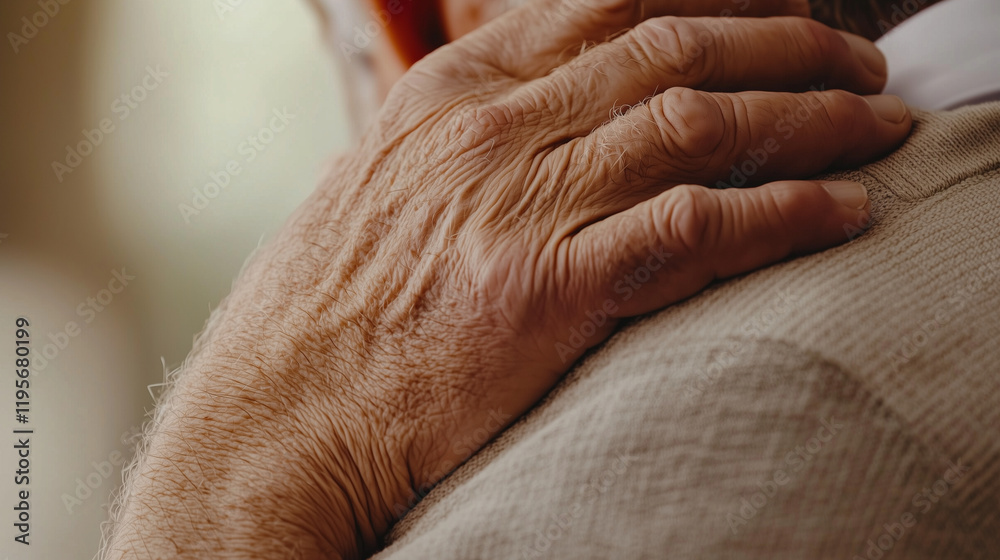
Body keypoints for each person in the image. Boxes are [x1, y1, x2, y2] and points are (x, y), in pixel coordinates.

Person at [100, 0, 946, 558]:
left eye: (355, 53)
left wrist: (236, 468)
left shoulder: (727, 426)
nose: (352, 170)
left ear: (416, 34)